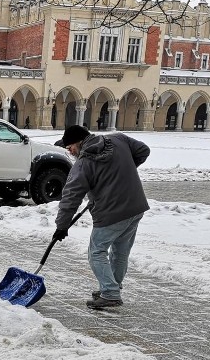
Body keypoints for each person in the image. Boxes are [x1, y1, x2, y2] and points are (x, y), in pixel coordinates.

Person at [52, 125, 150, 310]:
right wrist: (121, 172)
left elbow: (71, 198)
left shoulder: (83, 164)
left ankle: (111, 293)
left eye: (70, 146)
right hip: (135, 207)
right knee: (120, 251)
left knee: (96, 252)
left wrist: (61, 226)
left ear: (79, 142)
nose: (70, 151)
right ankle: (111, 286)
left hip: (111, 212)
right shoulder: (119, 139)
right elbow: (143, 151)